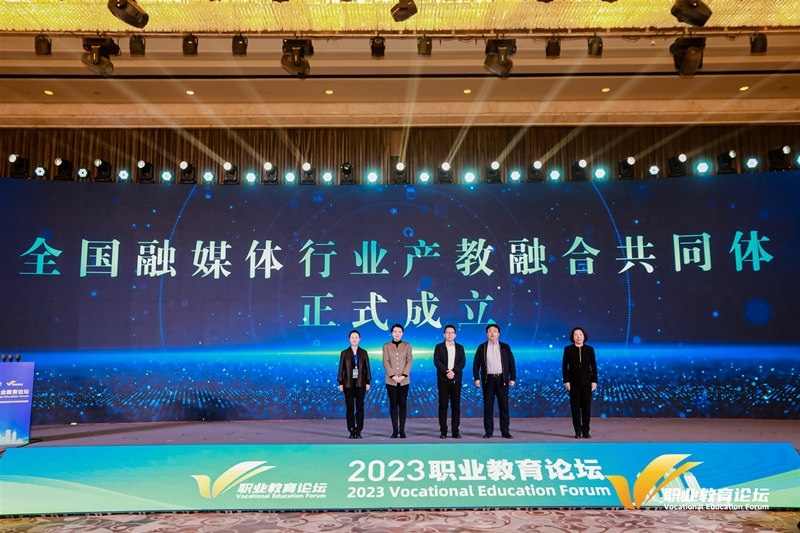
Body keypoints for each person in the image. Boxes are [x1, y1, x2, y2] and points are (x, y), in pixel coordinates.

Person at [473, 323, 516, 439]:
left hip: (502, 380)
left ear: (499, 334)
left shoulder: (505, 347)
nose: (492, 333)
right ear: (487, 334)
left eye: (495, 331)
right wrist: (476, 378)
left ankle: (505, 432)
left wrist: (512, 378)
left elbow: (511, 363)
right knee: (488, 407)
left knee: (504, 407)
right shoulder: (482, 347)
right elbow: (476, 364)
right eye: (490, 331)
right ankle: (488, 432)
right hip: (488, 380)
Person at [562, 326, 598, 439]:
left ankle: (586, 431)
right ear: (573, 337)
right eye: (576, 335)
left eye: (580, 335)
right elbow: (564, 366)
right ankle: (577, 431)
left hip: (587, 382)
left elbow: (594, 366)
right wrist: (566, 381)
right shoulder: (568, 349)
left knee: (586, 408)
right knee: (575, 408)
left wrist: (594, 381)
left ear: (584, 336)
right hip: (573, 383)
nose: (578, 337)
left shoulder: (590, 349)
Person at [433, 324, 466, 439]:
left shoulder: (460, 347)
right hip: (443, 380)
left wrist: (454, 372)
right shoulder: (439, 347)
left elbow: (462, 362)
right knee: (443, 405)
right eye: (447, 332)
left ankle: (455, 431)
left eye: (452, 332)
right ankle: (443, 431)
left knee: (456, 406)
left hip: (456, 380)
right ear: (444, 334)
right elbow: (437, 361)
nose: (449, 334)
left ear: (455, 335)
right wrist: (447, 371)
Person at [337, 329, 371, 439]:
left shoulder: (364, 352)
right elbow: (341, 368)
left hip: (361, 383)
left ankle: (359, 430)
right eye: (352, 337)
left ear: (360, 339)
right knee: (350, 408)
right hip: (348, 384)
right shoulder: (344, 353)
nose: (354, 339)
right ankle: (351, 430)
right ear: (349, 339)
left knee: (360, 407)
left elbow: (367, 368)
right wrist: (340, 382)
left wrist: (368, 381)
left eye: (356, 337)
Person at [383, 323, 413, 438]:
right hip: (391, 381)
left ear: (402, 333)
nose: (397, 334)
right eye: (395, 331)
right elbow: (385, 361)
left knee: (403, 405)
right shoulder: (386, 346)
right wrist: (393, 376)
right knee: (393, 405)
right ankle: (395, 430)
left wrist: (403, 375)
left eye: (399, 332)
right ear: (391, 333)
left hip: (404, 380)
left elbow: (409, 361)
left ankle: (402, 430)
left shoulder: (407, 346)